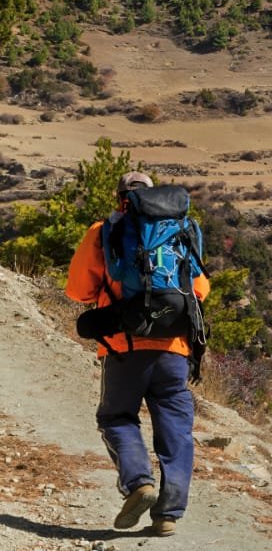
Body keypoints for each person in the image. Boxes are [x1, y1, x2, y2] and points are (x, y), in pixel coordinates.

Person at [65, 171, 209, 538]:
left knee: (116, 417)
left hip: (123, 346)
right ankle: (168, 515)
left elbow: (79, 290)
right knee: (176, 431)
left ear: (120, 198)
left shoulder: (105, 230)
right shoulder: (181, 229)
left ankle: (139, 484)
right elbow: (200, 289)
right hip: (175, 349)